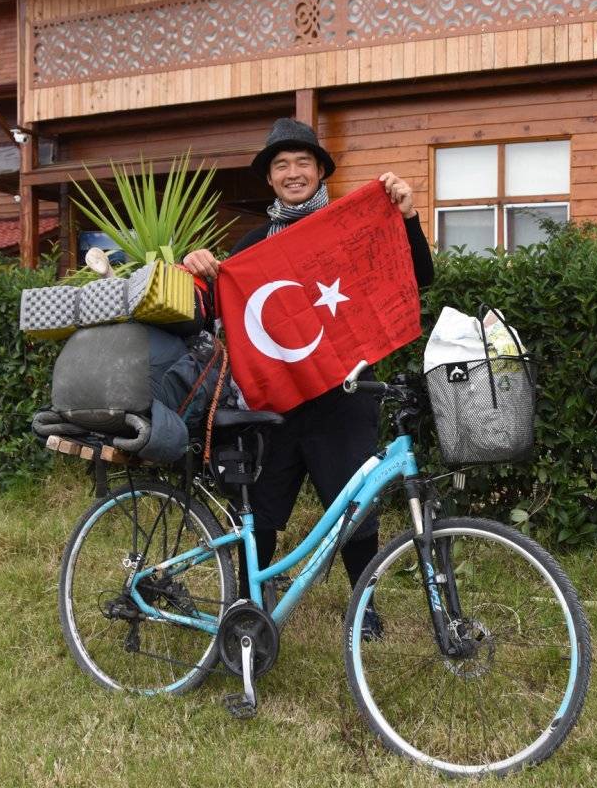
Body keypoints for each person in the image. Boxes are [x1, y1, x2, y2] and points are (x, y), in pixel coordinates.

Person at [183, 118, 433, 639]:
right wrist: (200, 268)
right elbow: (219, 312)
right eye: (281, 165)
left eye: (303, 163)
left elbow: (418, 275)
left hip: (343, 395)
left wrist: (406, 217)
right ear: (270, 179)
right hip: (276, 403)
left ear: (320, 171)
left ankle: (363, 605)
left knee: (356, 513)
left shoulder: (351, 226)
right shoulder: (251, 245)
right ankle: (253, 604)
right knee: (265, 510)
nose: (293, 173)